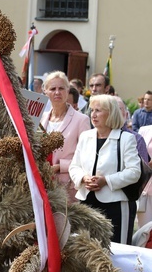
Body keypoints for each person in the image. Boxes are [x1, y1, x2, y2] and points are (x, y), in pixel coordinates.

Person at [69, 94, 141, 244]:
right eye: (92, 110)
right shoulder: (85, 136)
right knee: (86, 248)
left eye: (98, 111)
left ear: (111, 113)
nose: (93, 115)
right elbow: (74, 166)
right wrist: (83, 178)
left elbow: (134, 172)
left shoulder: (126, 138)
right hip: (87, 201)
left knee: (117, 249)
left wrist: (106, 181)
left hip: (116, 204)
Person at [41, 71, 91, 202]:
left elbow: (87, 156)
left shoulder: (81, 120)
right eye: (52, 88)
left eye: (61, 88)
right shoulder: (41, 119)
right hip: (42, 184)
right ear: (45, 92)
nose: (57, 92)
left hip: (68, 185)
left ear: (68, 90)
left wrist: (60, 166)